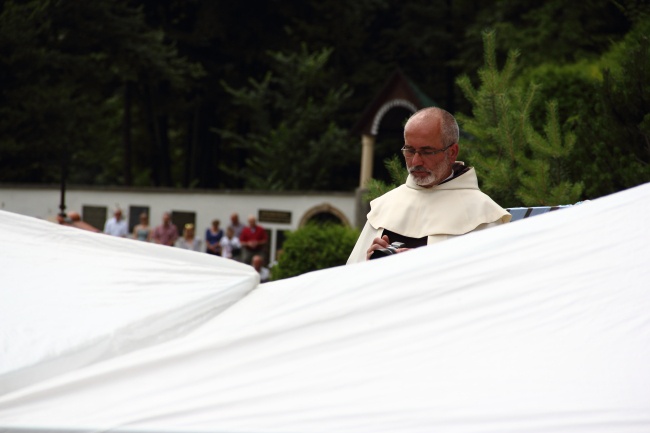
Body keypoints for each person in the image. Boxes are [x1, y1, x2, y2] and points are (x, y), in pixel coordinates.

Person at [347, 106, 511, 264]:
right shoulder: (386, 206)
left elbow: (489, 280)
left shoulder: (482, 214)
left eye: (427, 152)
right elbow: (351, 277)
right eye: (410, 151)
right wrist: (369, 266)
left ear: (452, 152)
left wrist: (426, 265)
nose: (416, 161)